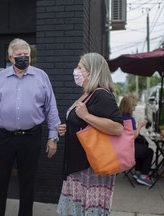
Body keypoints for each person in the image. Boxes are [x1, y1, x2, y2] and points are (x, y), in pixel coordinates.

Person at [0, 38, 61, 216]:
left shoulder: (41, 77)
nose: (24, 58)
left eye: (27, 55)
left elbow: (51, 109)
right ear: (10, 57)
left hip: (31, 137)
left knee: (28, 184)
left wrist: (53, 137)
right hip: (4, 137)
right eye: (19, 55)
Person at [57, 53, 124, 216]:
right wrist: (68, 127)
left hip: (90, 169)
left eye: (80, 67)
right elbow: (85, 124)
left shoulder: (102, 95)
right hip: (78, 165)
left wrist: (86, 116)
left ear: (92, 72)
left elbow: (117, 127)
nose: (76, 71)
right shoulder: (89, 93)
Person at [119, 95, 154, 187]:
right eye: (133, 106)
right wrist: (140, 125)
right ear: (128, 106)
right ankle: (143, 176)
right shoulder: (129, 119)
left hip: (120, 147)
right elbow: (133, 136)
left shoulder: (119, 116)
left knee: (142, 146)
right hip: (128, 148)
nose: (134, 109)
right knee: (149, 152)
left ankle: (138, 171)